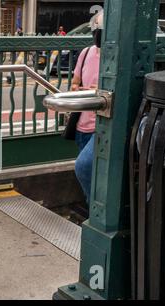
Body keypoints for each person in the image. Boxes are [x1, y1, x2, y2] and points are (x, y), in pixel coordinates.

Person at [71, 11, 103, 210]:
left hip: (102, 125)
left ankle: (95, 213)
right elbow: (75, 82)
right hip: (82, 124)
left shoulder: (119, 56)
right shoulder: (85, 53)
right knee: (88, 170)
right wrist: (78, 89)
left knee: (83, 166)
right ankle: (90, 207)